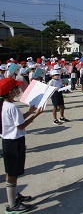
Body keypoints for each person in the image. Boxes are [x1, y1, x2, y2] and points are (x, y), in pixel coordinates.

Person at [0, 78, 43, 213]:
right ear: (10, 91)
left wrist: (30, 112)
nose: (18, 90)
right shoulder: (12, 107)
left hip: (7, 141)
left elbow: (16, 120)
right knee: (13, 173)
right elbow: (20, 126)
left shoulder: (4, 104)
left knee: (12, 171)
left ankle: (12, 196)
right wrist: (35, 115)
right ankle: (12, 205)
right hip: (14, 142)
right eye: (15, 88)